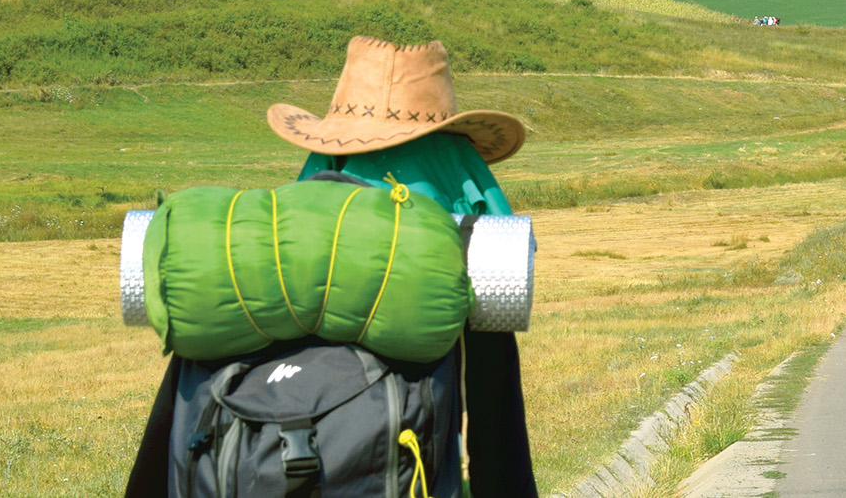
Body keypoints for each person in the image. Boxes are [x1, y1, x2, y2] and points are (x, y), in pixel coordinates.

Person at [129, 35, 539, 498]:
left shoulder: (256, 249)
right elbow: (497, 443)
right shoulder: (451, 254)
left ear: (326, 147)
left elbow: (169, 431)